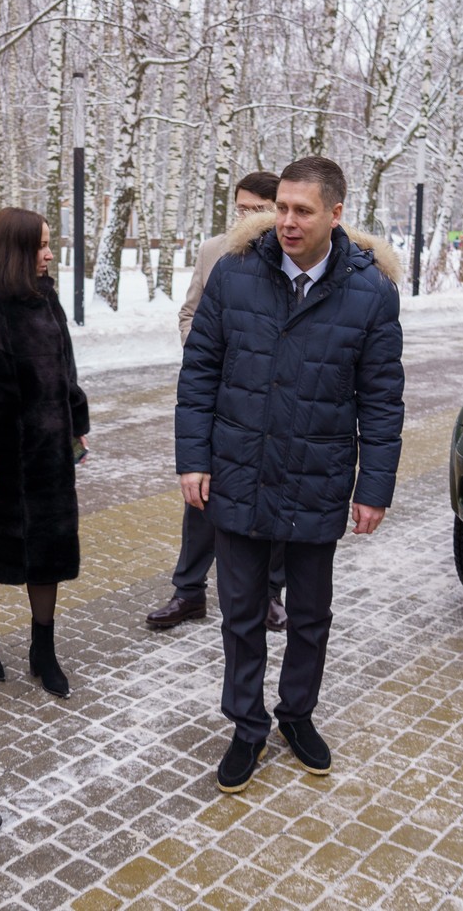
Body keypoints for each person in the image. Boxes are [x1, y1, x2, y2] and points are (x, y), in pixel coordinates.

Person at [176, 156, 405, 794]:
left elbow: (382, 401)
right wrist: (194, 457)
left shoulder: (371, 293)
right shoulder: (234, 275)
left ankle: (296, 714)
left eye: (302, 210)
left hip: (318, 474)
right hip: (240, 469)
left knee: (310, 614)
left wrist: (374, 488)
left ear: (336, 214)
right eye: (280, 207)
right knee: (240, 610)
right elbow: (199, 375)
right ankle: (246, 725)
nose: (286, 221)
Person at [0, 207, 90, 699]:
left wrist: (78, 422)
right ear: (15, 250)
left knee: (49, 550)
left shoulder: (45, 297)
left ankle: (42, 648)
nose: (49, 254)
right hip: (0, 457)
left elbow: (65, 366)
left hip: (49, 452)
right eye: (41, 245)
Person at [147, 171, 289, 634]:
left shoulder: (293, 254)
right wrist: (206, 355)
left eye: (256, 208)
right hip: (218, 398)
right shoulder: (215, 251)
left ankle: (269, 594)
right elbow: (190, 311)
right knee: (201, 496)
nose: (246, 217)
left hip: (270, 403)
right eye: (241, 207)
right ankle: (189, 591)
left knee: (270, 495)